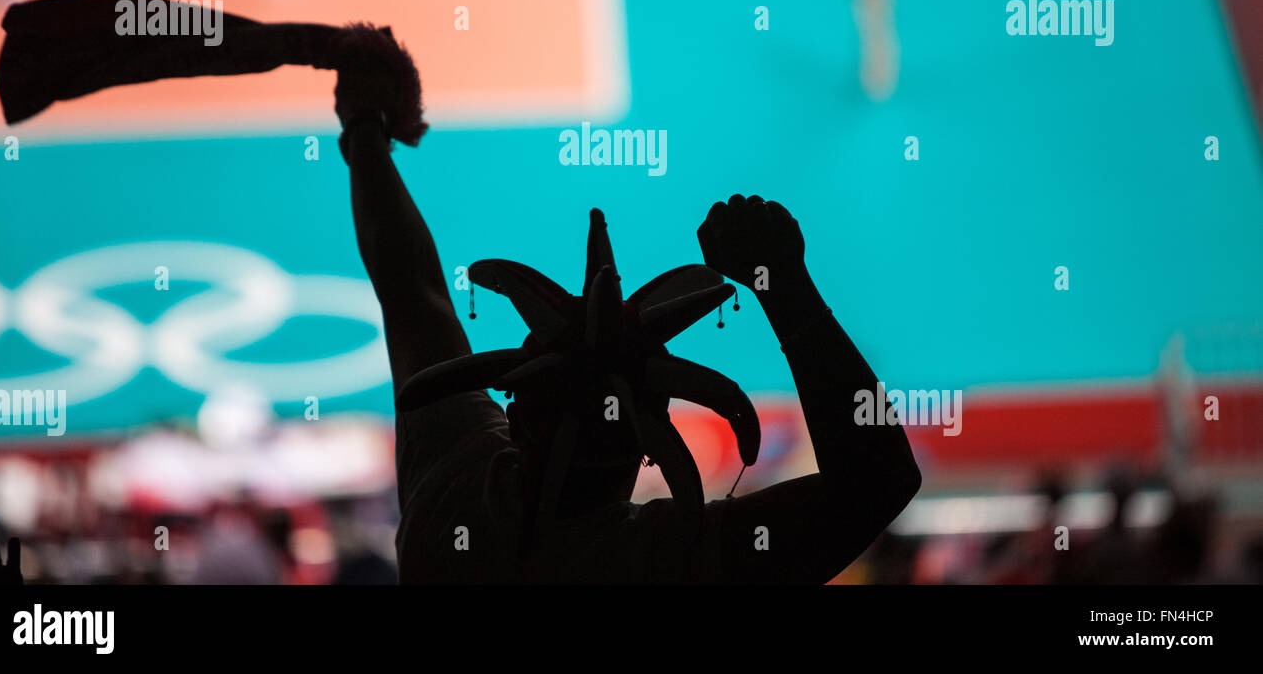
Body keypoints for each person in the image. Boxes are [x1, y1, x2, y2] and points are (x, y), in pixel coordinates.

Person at [334, 34, 922, 582]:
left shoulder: (452, 491)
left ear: (516, 412)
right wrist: (783, 284)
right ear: (646, 450)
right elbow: (878, 483)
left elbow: (413, 292)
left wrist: (365, 132)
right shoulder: (666, 563)